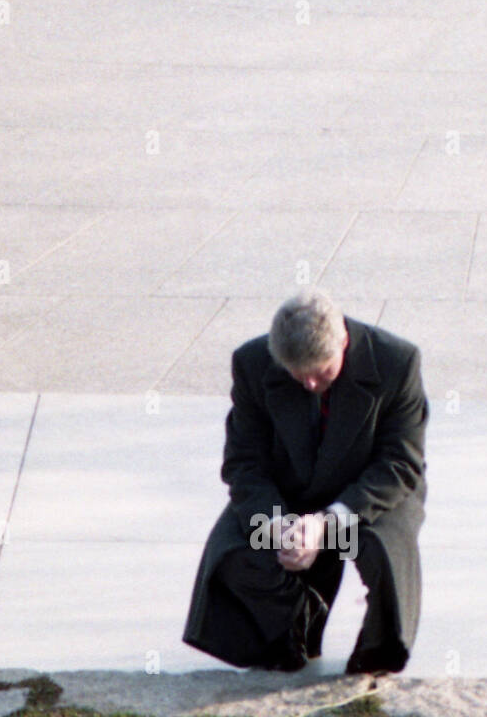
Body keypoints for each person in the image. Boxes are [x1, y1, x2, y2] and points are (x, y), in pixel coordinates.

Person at [182, 288, 428, 674]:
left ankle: (374, 658)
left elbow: (400, 463)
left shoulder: (398, 362)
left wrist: (326, 524)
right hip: (289, 494)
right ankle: (295, 620)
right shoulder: (252, 363)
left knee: (382, 553)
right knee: (233, 557)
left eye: (321, 371)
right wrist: (278, 525)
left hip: (368, 497)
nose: (311, 384)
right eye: (298, 375)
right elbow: (244, 462)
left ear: (343, 342)